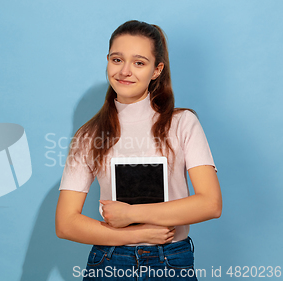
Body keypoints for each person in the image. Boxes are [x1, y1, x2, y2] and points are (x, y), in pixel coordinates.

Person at [55, 20, 222, 280]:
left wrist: (131, 214)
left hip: (170, 260)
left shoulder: (182, 123)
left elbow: (210, 204)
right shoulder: (88, 136)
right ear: (108, 61)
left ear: (157, 70)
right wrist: (137, 234)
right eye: (117, 59)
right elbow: (66, 223)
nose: (125, 71)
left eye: (139, 62)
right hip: (110, 262)